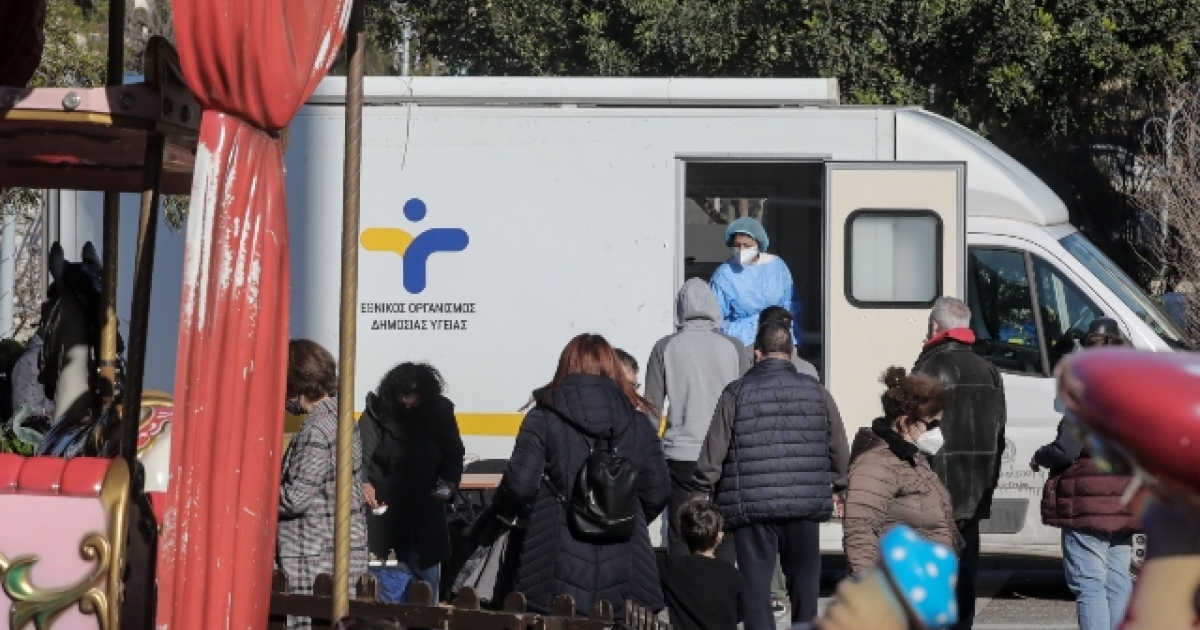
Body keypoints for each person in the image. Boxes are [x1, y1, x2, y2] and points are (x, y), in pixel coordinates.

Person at [491, 333, 671, 615]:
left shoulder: (542, 417)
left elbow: (519, 487)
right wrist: (617, 514)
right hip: (625, 553)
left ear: (566, 365)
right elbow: (658, 491)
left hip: (553, 551)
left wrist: (515, 513)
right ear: (612, 368)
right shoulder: (638, 422)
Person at [690, 322, 850, 630]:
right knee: (804, 585)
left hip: (752, 506)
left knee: (756, 588)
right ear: (790, 352)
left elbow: (714, 449)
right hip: (804, 505)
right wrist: (841, 485)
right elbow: (838, 445)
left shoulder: (736, 393)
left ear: (756, 353)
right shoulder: (816, 392)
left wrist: (701, 488)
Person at [1031, 318, 1137, 630]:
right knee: (1118, 580)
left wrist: (1039, 456)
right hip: (1125, 500)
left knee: (1089, 584)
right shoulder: (1135, 393)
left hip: (1088, 505)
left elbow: (1065, 450)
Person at [912, 296, 1006, 630]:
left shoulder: (928, 368)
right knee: (965, 576)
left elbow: (913, 433)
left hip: (933, 491)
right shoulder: (989, 370)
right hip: (974, 492)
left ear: (934, 326)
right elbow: (998, 434)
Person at [645, 279, 748, 561]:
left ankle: (682, 584)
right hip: (725, 456)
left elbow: (652, 409)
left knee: (683, 530)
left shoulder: (664, 347)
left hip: (681, 456)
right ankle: (721, 584)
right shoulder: (734, 347)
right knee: (724, 529)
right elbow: (745, 403)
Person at [277, 340, 368, 630]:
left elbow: (296, 498)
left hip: (313, 554)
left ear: (297, 384)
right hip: (338, 547)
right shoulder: (341, 416)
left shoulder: (316, 428)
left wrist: (253, 493)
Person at [360, 362, 465, 601]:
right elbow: (358, 457)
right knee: (386, 581)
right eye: (403, 396)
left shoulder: (440, 412)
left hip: (425, 507)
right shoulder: (375, 413)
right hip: (383, 510)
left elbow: (453, 453)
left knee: (425, 580)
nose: (407, 402)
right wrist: (363, 483)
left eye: (414, 397)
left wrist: (448, 484)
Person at [843, 368, 960, 575]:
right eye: (932, 424)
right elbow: (860, 532)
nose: (937, 431)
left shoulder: (912, 458)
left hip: (923, 584)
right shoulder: (875, 465)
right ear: (905, 423)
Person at [709, 216, 801, 347]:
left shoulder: (777, 267)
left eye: (747, 246)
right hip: (742, 343)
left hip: (778, 341)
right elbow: (715, 318)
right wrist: (744, 331)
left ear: (758, 244)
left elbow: (791, 304)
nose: (741, 250)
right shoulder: (724, 275)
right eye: (737, 245)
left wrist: (781, 326)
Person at [656, 499, 745, 630]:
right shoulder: (732, 574)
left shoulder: (670, 566)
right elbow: (741, 612)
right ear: (720, 536)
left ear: (682, 536)